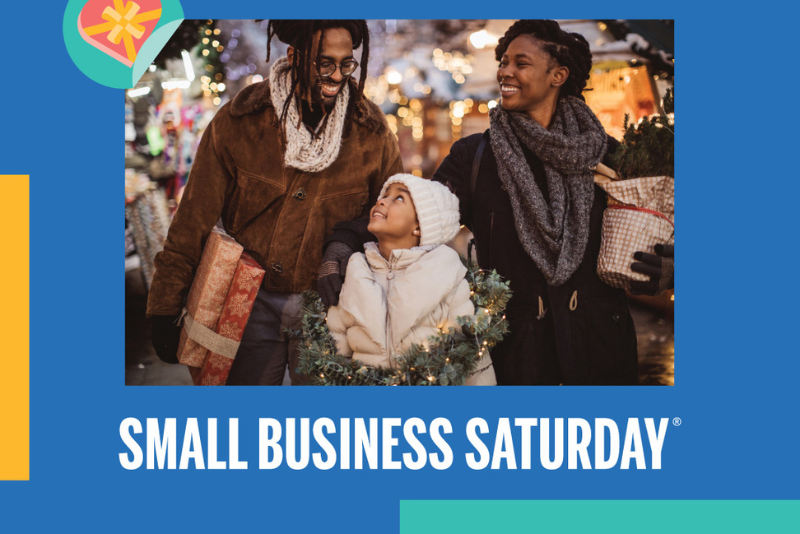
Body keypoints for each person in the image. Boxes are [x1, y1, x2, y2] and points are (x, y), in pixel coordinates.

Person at [147, 20, 402, 385]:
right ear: (294, 55)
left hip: (331, 309)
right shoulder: (239, 122)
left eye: (347, 64)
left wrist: (345, 241)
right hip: (247, 308)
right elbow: (193, 221)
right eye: (324, 63)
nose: (336, 76)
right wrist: (165, 305)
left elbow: (393, 216)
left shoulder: (371, 133)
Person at [326, 174, 496, 385]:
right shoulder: (355, 272)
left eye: (399, 198)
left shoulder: (443, 276)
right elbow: (335, 356)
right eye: (384, 195)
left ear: (420, 225)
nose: (381, 201)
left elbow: (472, 362)